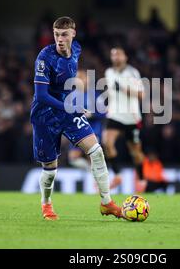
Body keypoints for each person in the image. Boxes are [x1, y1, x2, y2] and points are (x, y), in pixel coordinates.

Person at [31, 16, 122, 220]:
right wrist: (68, 106)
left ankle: (106, 202)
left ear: (73, 34)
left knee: (96, 151)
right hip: (45, 114)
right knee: (50, 169)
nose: (59, 39)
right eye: (56, 35)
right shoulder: (44, 58)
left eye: (64, 34)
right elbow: (41, 96)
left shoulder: (77, 49)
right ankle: (46, 205)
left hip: (68, 111)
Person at [102, 47, 146, 192]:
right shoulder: (109, 72)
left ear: (125, 57)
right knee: (107, 142)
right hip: (115, 115)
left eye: (119, 54)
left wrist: (122, 88)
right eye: (113, 54)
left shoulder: (132, 73)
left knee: (135, 152)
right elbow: (110, 91)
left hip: (131, 118)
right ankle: (118, 175)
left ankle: (141, 178)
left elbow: (141, 95)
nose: (116, 57)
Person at [68, 70, 106, 170]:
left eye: (81, 78)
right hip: (78, 130)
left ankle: (96, 178)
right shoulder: (72, 96)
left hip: (93, 130)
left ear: (87, 80)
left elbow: (104, 113)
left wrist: (91, 114)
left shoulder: (96, 95)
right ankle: (90, 170)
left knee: (93, 156)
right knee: (73, 158)